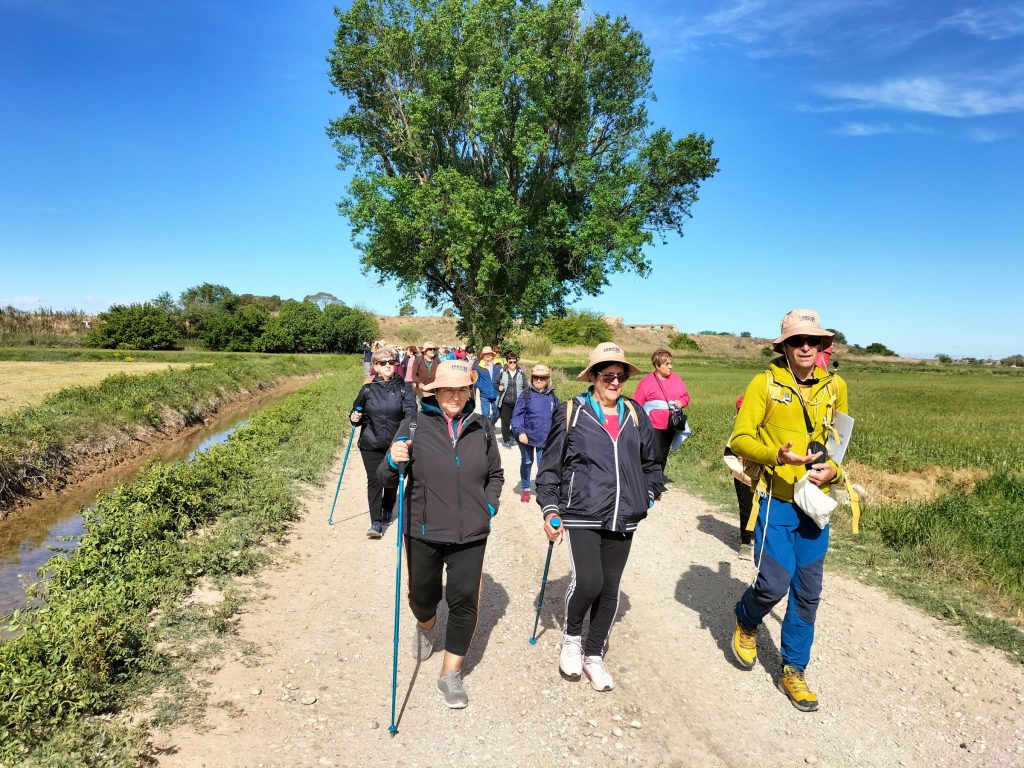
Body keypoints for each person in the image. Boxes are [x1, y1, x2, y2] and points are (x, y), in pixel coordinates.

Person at [728, 309, 849, 712]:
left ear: (821, 346)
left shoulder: (836, 387)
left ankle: (794, 669)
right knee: (773, 585)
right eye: (797, 341)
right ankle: (747, 618)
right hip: (775, 501)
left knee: (809, 593)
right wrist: (775, 456)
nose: (806, 347)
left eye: (813, 341)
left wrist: (833, 470)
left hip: (811, 506)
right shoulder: (764, 383)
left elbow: (839, 446)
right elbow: (740, 439)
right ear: (783, 346)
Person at [535, 343, 664, 692]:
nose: (614, 382)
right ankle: (572, 639)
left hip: (625, 514)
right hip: (582, 511)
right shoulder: (571, 412)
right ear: (592, 377)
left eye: (620, 377)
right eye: (607, 375)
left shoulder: (634, 413)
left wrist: (649, 494)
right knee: (589, 582)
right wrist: (550, 508)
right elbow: (549, 468)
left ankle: (594, 655)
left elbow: (653, 463)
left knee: (610, 588)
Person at [379, 360, 504, 709]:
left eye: (461, 389)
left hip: (471, 533)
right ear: (434, 392)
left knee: (464, 601)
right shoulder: (414, 425)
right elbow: (385, 479)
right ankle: (424, 625)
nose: (455, 395)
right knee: (422, 596)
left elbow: (495, 475)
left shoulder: (481, 427)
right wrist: (392, 460)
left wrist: (489, 507)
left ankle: (450, 675)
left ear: (469, 393)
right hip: (423, 530)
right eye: (447, 388)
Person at [350, 349, 417, 538]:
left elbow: (411, 414)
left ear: (396, 364)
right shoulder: (368, 389)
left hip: (395, 444)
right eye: (382, 363)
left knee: (390, 479)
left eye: (391, 361)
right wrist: (354, 417)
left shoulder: (405, 388)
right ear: (376, 367)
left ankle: (388, 506)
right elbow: (356, 413)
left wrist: (408, 436)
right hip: (370, 443)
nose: (388, 365)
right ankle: (376, 522)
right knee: (374, 480)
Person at [631, 348, 691, 471]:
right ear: (657, 365)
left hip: (671, 423)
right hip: (652, 424)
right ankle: (648, 480)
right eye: (667, 364)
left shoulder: (677, 379)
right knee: (652, 453)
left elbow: (686, 396)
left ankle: (658, 479)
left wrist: (681, 402)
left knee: (664, 452)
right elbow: (637, 403)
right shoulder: (647, 381)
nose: (670, 367)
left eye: (671, 363)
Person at [510, 363, 557, 503]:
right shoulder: (526, 395)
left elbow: (558, 415)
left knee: (543, 464)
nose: (538, 380)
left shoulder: (552, 397)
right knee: (527, 461)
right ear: (531, 378)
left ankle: (542, 488)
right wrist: (520, 432)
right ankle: (525, 488)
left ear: (547, 379)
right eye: (536, 377)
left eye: (542, 378)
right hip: (526, 437)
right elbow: (517, 416)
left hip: (544, 437)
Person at [723, 395, 755, 560]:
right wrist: (741, 473)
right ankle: (745, 542)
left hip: (762, 479)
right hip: (743, 476)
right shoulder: (738, 433)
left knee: (765, 509)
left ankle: (761, 537)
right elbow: (729, 455)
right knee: (747, 508)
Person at [496, 353, 527, 447]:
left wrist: (525, 398)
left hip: (518, 402)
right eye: (510, 362)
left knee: (516, 421)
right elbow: (495, 383)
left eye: (514, 362)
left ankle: (513, 435)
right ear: (507, 362)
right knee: (505, 421)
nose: (513, 363)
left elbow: (526, 386)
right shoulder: (503, 371)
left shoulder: (521, 372)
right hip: (506, 401)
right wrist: (499, 387)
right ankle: (506, 440)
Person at [472, 346, 501, 423]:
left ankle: (491, 424)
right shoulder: (478, 367)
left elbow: (503, 378)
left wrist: (501, 386)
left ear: (492, 355)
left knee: (497, 414)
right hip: (484, 395)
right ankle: (487, 430)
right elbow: (474, 379)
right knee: (485, 414)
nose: (487, 355)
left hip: (496, 393)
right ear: (482, 356)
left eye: (489, 354)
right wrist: (482, 387)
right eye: (485, 354)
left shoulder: (498, 366)